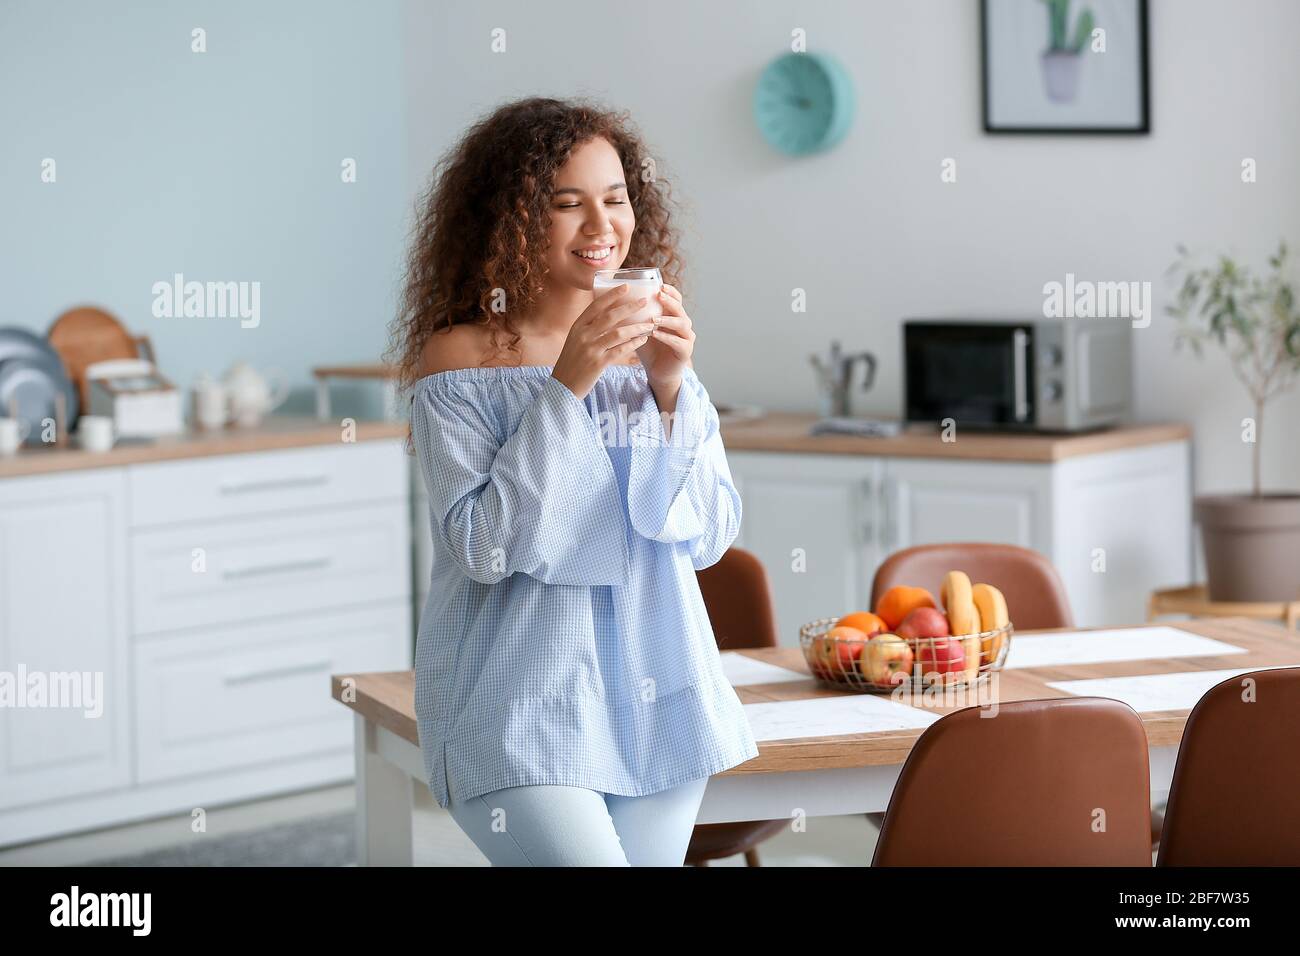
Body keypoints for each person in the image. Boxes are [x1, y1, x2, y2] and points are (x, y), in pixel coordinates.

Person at [384, 97, 758, 866]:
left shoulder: (648, 349)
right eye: (566, 204)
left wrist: (671, 390)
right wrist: (569, 384)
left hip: (659, 691)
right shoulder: (461, 357)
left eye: (615, 199)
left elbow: (710, 533)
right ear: (511, 219)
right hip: (517, 703)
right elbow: (484, 545)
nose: (602, 227)